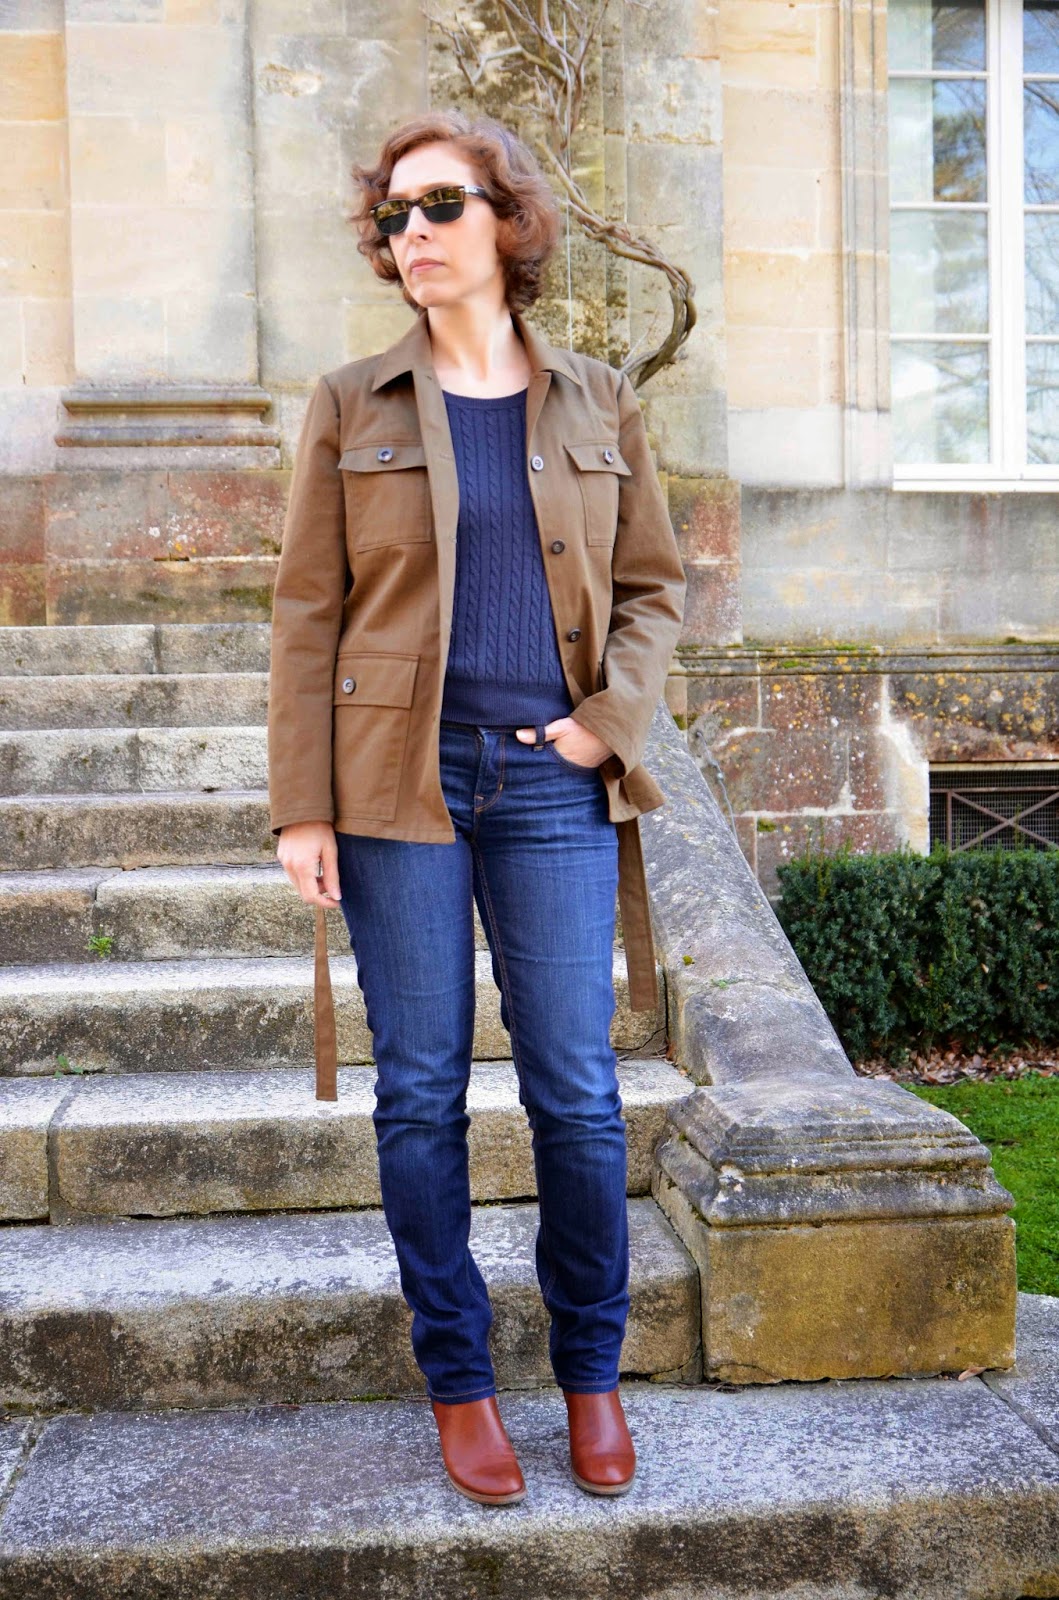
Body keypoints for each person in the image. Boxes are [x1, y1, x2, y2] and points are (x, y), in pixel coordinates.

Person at [267, 108, 687, 1507]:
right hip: (398, 784)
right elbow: (308, 612)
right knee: (420, 1094)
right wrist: (302, 806)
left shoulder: (599, 399)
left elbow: (653, 590)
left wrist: (605, 724)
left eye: (441, 204)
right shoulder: (352, 403)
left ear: (509, 221)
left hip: (551, 781)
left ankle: (590, 1374)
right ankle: (459, 1381)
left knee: (577, 1090)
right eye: (394, 214)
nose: (415, 232)